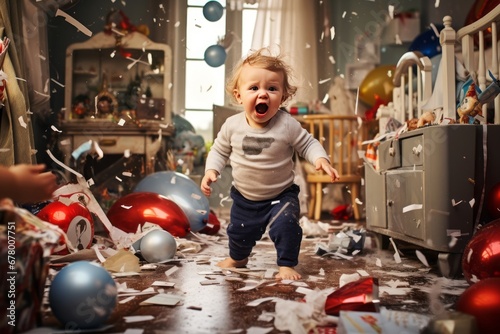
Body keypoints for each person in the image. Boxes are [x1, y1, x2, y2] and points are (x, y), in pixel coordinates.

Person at [201, 48, 339, 280]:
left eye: (272, 89)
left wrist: (321, 158)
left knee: (286, 227)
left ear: (283, 97)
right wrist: (211, 171)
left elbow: (307, 143)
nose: (263, 94)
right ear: (239, 96)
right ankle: (238, 257)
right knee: (238, 232)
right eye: (254, 88)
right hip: (245, 198)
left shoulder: (287, 124)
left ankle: (286, 264)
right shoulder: (232, 125)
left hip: (281, 195)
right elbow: (219, 149)